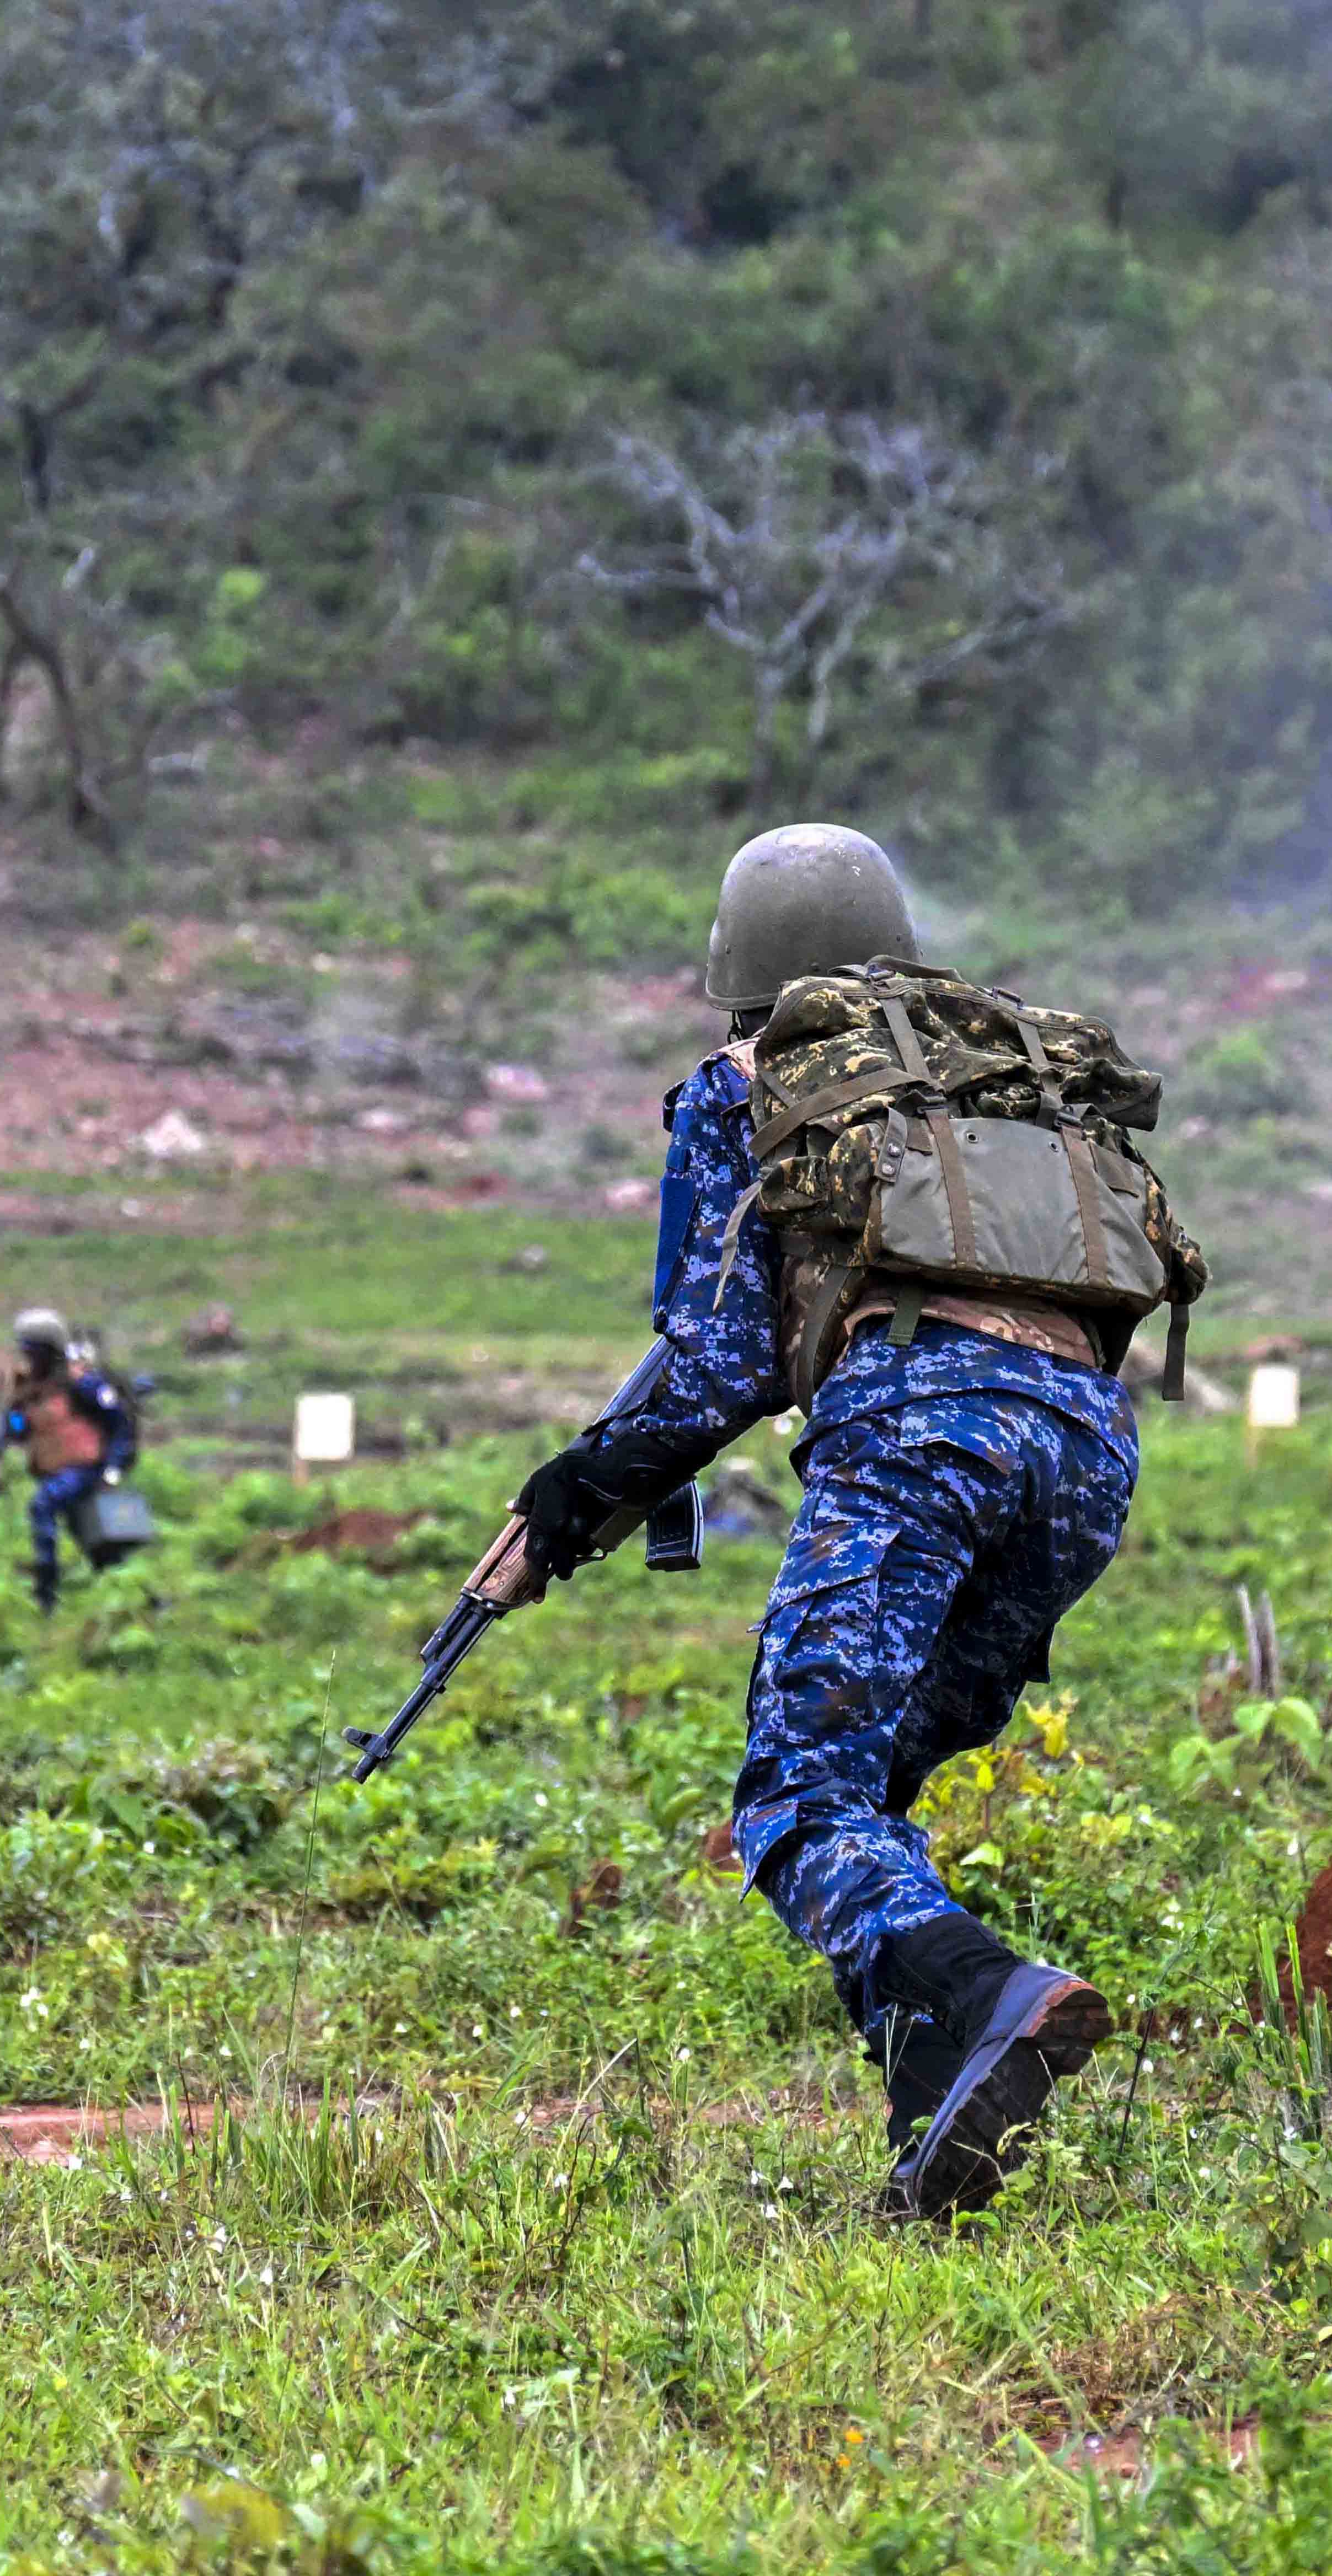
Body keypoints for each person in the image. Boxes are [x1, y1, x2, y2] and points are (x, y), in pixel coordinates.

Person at [494, 823, 1143, 2221]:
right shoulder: (998, 1069)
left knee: (798, 1796)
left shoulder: (750, 1080)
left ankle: (980, 2003)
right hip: (1085, 1452)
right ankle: (941, 2110)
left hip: (918, 1435)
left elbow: (714, 1358)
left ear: (734, 960)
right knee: (880, 1776)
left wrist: (566, 1503)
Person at [0, 1307, 136, 1613]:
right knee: (94, 1539)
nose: (28, 1359)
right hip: (54, 1471)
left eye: (34, 1352)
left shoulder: (81, 1383)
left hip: (85, 1469)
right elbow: (20, 1432)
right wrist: (14, 1410)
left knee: (43, 1506)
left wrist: (114, 1468)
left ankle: (46, 1590)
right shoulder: (30, 1391)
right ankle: (133, 1594)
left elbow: (119, 1423)